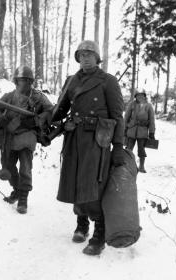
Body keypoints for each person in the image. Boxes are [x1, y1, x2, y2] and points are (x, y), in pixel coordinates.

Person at [52, 40, 125, 256]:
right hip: (74, 137)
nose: (85, 58)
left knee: (93, 184)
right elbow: (59, 110)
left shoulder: (108, 81)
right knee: (75, 180)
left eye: (89, 54)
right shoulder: (71, 81)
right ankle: (81, 224)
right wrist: (51, 119)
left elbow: (117, 117)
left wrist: (119, 146)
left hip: (97, 139)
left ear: (97, 58)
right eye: (81, 55)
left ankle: (99, 234)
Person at [0, 66, 53, 214]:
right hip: (9, 137)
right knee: (8, 166)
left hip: (27, 135)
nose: (23, 83)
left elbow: (51, 110)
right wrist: (0, 119)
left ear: (31, 82)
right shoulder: (9, 96)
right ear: (15, 81)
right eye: (20, 80)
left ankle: (23, 198)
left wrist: (37, 120)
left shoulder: (38, 97)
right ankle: (17, 190)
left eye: (26, 80)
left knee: (25, 168)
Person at [124, 90, 155, 173]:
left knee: (141, 149)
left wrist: (151, 133)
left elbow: (152, 120)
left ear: (145, 96)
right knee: (128, 149)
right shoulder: (132, 105)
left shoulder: (148, 106)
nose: (140, 97)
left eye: (142, 95)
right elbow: (126, 117)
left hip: (143, 131)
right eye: (138, 95)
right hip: (131, 130)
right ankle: (127, 165)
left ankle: (141, 166)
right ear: (135, 96)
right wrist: (124, 129)